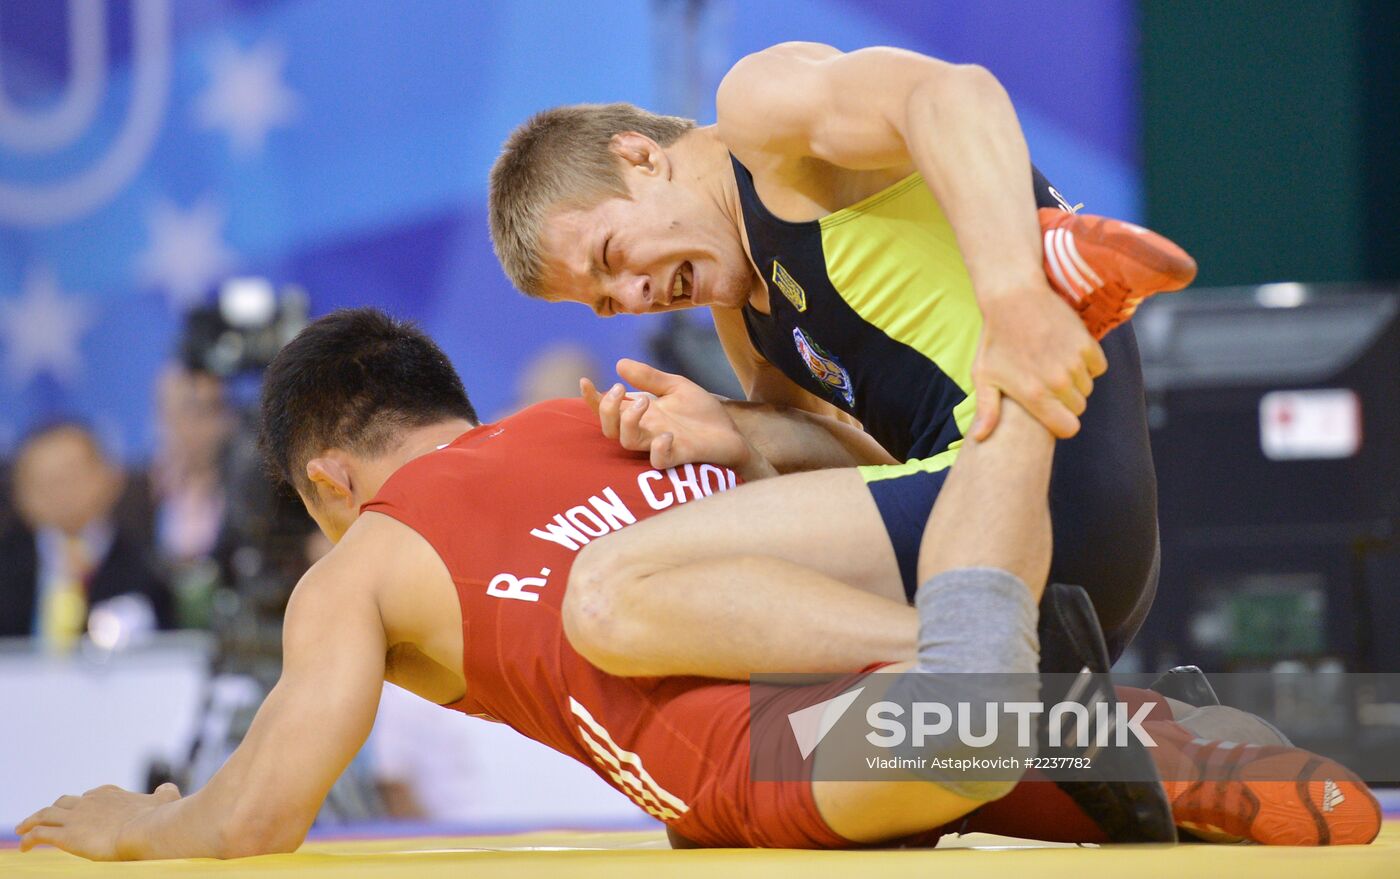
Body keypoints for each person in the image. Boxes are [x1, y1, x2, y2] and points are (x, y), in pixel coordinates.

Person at [15, 310, 1378, 859]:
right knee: (1235, 791)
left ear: (323, 475)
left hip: (771, 749)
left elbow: (261, 813)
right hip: (880, 632)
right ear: (457, 405)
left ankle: (1022, 687)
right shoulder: (613, 418)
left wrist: (146, 821)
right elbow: (854, 464)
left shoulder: (359, 561)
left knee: (929, 738)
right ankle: (1159, 726)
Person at [488, 44, 1197, 662]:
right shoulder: (742, 310)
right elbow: (876, 483)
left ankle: (1050, 280)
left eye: (613, 256)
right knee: (806, 774)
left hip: (1052, 498)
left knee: (616, 584)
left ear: (641, 156)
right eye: (609, 302)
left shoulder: (757, 118)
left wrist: (1014, 295)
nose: (636, 296)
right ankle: (1170, 741)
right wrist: (741, 439)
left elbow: (955, 93)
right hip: (1051, 576)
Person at [0, 423, 172, 647]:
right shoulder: (7, 563)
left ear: (111, 477)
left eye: (70, 475)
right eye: (43, 481)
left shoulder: (148, 565)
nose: (59, 492)